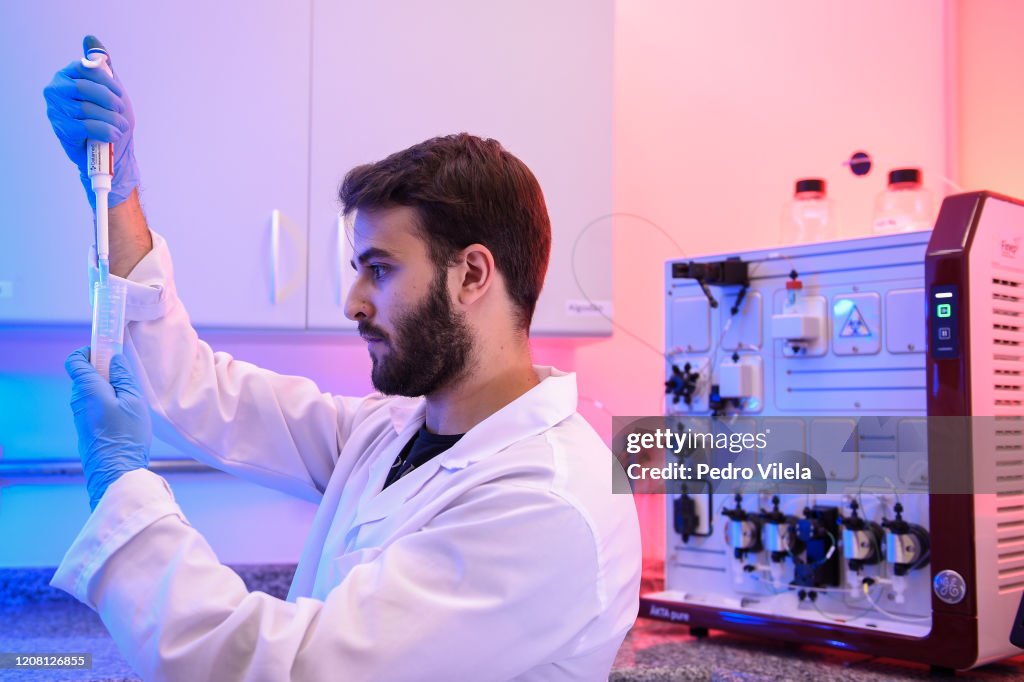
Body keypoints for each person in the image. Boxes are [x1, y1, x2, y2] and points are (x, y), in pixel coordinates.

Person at [43, 48, 641, 681]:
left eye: (379, 269)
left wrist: (120, 488)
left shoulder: (545, 506)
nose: (353, 302)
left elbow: (281, 670)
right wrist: (118, 193)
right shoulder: (394, 431)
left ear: (470, 274)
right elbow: (197, 392)